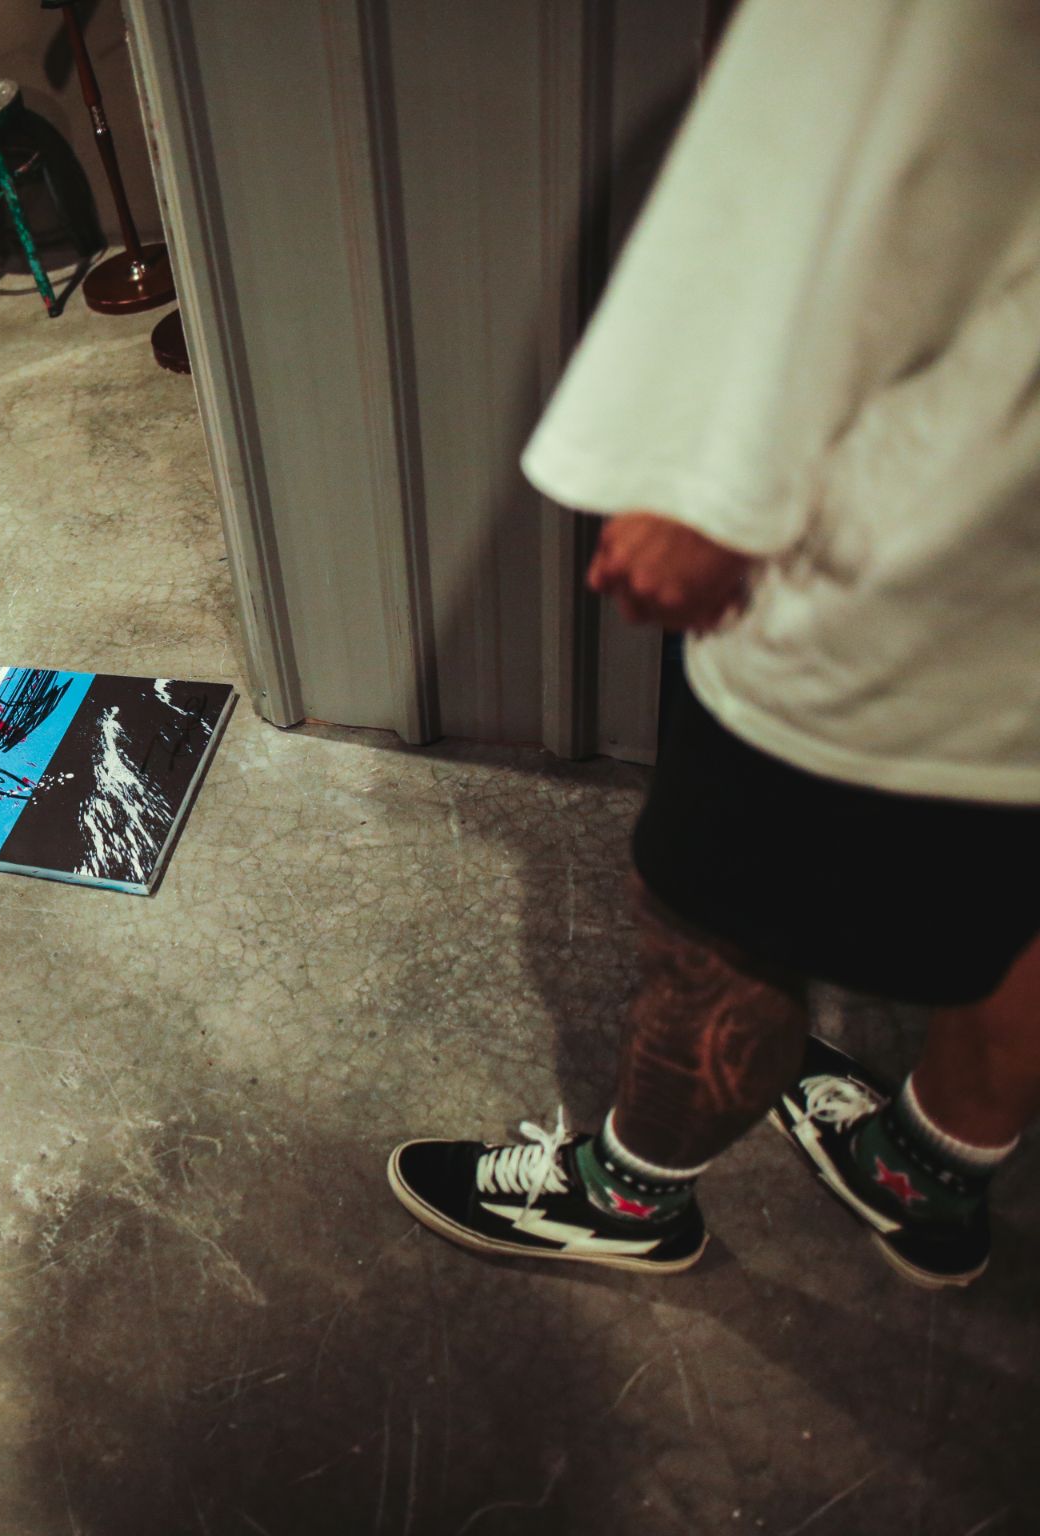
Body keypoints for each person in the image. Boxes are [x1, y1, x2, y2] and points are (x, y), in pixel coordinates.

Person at [386, 0, 1040, 1289]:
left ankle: (631, 1199)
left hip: (927, 541)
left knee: (719, 916)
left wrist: (716, 489)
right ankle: (927, 1177)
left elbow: (853, 130)